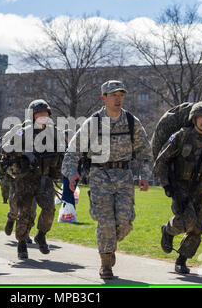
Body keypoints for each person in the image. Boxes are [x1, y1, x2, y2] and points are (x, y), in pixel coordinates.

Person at [62, 80, 153, 279]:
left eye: (121, 94)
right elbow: (73, 150)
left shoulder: (131, 121)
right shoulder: (93, 123)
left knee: (125, 222)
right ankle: (105, 263)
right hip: (99, 176)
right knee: (105, 222)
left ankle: (109, 246)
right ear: (104, 98)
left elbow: (145, 151)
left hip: (123, 176)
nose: (118, 98)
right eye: (113, 95)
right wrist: (71, 173)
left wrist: (144, 175)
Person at [154, 101, 202, 274]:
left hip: (201, 189)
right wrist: (167, 185)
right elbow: (162, 161)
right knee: (187, 220)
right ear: (194, 119)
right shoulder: (181, 136)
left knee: (199, 226)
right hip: (180, 187)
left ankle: (181, 260)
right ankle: (167, 230)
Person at [1, 99, 65, 259]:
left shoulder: (54, 132)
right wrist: (24, 152)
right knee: (25, 213)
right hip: (25, 179)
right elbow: (6, 148)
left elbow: (64, 151)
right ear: (32, 115)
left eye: (45, 113)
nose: (43, 116)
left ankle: (41, 235)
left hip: (44, 179)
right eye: (39, 113)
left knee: (49, 209)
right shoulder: (23, 131)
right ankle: (21, 243)